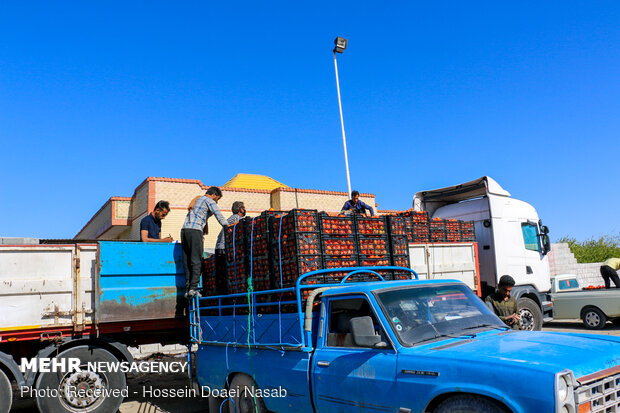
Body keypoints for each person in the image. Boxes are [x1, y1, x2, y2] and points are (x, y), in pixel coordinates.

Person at [181, 187, 229, 299]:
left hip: (185, 231)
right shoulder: (209, 200)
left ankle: (188, 289)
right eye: (217, 199)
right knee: (197, 260)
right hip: (195, 230)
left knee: (187, 260)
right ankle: (193, 288)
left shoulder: (198, 200)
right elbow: (218, 214)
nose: (217, 202)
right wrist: (227, 226)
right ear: (213, 195)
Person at [214, 201, 246, 294]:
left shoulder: (232, 218)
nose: (244, 210)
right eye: (244, 208)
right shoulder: (237, 218)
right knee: (224, 274)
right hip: (223, 248)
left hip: (221, 247)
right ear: (241, 209)